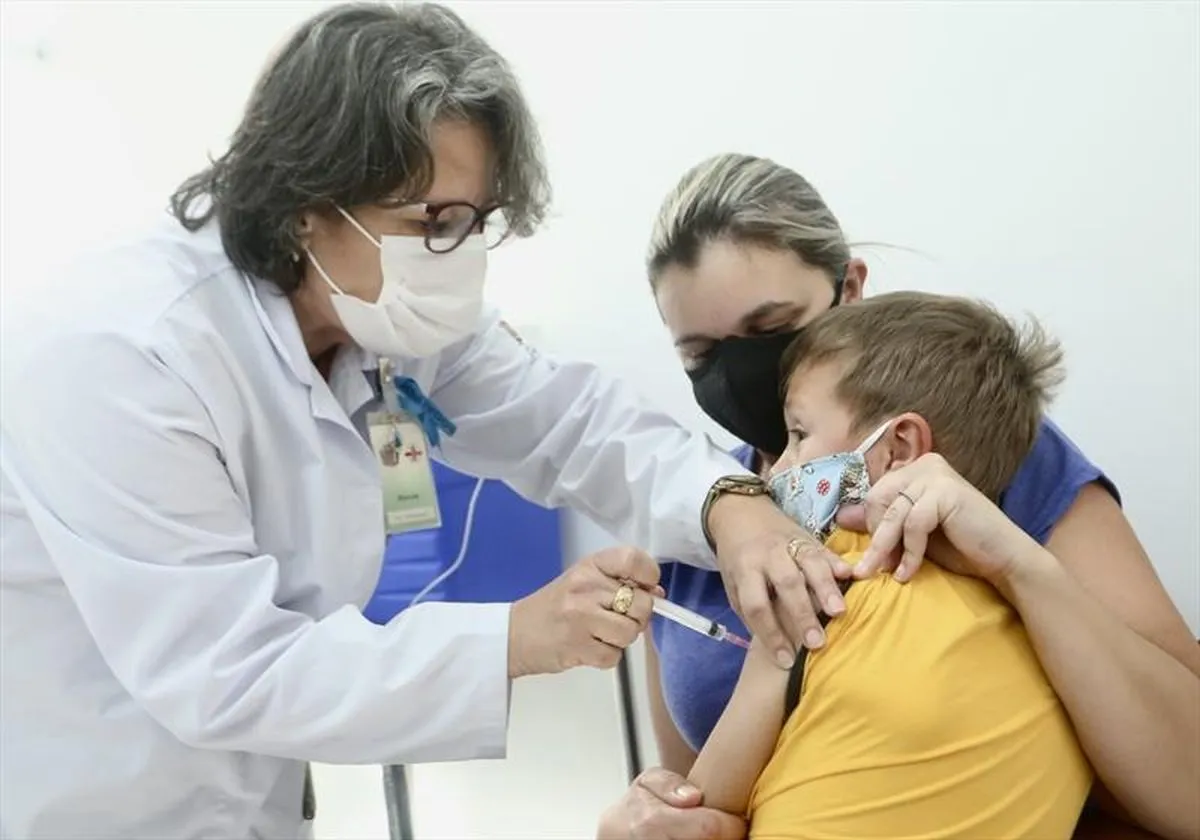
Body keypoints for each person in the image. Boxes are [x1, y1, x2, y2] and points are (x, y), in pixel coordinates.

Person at [0, 9, 826, 839]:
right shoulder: (121, 351)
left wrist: (730, 500)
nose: (460, 256)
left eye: (476, 219)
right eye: (433, 222)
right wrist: (515, 636)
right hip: (95, 805)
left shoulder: (378, 316)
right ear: (305, 203)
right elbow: (229, 672)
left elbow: (571, 421)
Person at [599, 153, 1200, 840]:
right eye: (701, 355)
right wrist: (648, 817)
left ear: (849, 287)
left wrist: (1017, 567)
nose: (741, 374)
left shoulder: (992, 458)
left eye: (768, 330)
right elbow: (697, 802)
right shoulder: (688, 521)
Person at [687, 291, 1092, 838]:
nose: (777, 468)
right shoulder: (1056, 633)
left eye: (799, 434)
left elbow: (701, 809)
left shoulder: (823, 587)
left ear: (897, 450)